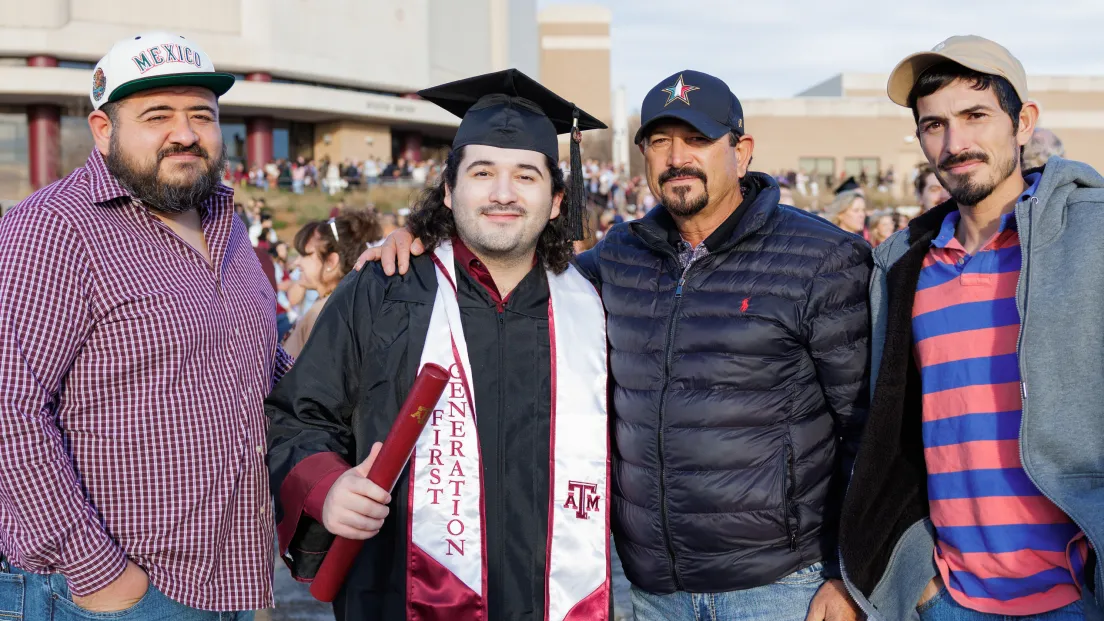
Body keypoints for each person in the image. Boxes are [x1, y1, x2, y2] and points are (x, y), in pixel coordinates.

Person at [361, 69, 870, 621]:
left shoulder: (820, 258)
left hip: (781, 588)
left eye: (697, 139)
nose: (677, 157)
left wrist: (850, 573)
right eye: (658, 141)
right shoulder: (619, 257)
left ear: (741, 151)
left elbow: (868, 430)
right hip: (653, 593)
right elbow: (516, 276)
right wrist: (427, 236)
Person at [266, 69, 612, 621]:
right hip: (401, 597)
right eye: (482, 173)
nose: (502, 193)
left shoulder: (592, 308)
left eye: (526, 175)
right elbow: (296, 419)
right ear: (449, 191)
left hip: (548, 600)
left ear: (555, 201)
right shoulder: (383, 290)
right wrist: (326, 487)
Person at [0, 32, 291, 620]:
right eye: (157, 115)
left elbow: (266, 369)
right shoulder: (53, 228)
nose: (185, 134)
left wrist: (379, 280)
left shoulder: (226, 225)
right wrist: (97, 573)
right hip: (109, 595)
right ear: (103, 130)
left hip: (225, 579)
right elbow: (10, 406)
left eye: (201, 116)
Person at [840, 35, 1104, 621]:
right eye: (934, 125)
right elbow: (891, 433)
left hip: (1079, 596)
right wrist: (921, 582)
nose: (955, 144)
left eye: (975, 116)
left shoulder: (1090, 238)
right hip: (950, 599)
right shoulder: (902, 268)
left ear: (1023, 122)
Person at [281, 210, 382, 357]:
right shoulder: (337, 304)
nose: (297, 262)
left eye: (305, 255)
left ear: (331, 262)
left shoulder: (325, 314)